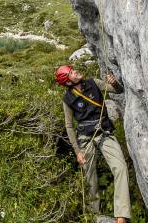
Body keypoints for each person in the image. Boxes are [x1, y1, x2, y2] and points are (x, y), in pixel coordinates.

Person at [55, 65, 131, 222]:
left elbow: (118, 91)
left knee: (120, 167)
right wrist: (77, 151)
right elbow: (69, 126)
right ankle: (94, 214)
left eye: (73, 69)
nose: (75, 71)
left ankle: (121, 215)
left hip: (104, 132)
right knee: (89, 176)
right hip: (85, 138)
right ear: (68, 82)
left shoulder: (93, 83)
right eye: (71, 73)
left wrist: (114, 83)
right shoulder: (67, 99)